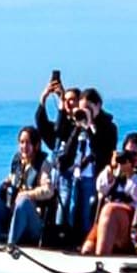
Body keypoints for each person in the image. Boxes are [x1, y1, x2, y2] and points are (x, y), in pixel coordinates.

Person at [58, 87, 119, 244]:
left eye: (89, 108)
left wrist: (91, 126)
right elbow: (66, 152)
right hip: (75, 175)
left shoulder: (108, 127)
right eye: (83, 107)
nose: (85, 111)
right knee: (69, 211)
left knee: (87, 214)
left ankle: (85, 242)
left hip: (93, 177)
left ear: (98, 106)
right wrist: (77, 127)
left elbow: (104, 152)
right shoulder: (78, 123)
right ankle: (67, 240)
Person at [0, 126, 54, 245]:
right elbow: (11, 178)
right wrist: (5, 185)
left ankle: (11, 245)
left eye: (28, 143)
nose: (24, 146)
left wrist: (27, 194)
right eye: (21, 142)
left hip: (32, 219)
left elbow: (48, 190)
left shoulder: (43, 165)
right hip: (12, 212)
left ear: (36, 145)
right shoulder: (18, 161)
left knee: (23, 202)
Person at [36, 77, 82, 230]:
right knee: (57, 207)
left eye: (72, 100)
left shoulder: (82, 123)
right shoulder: (61, 122)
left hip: (75, 173)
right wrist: (43, 99)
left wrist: (63, 102)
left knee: (70, 207)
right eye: (66, 100)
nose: (68, 103)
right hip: (58, 173)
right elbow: (47, 128)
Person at [80, 147, 137, 256]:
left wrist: (131, 175)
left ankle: (102, 257)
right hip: (107, 218)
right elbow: (101, 188)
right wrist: (111, 171)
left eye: (134, 153)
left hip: (131, 218)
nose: (130, 158)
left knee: (109, 209)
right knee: (87, 249)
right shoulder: (115, 172)